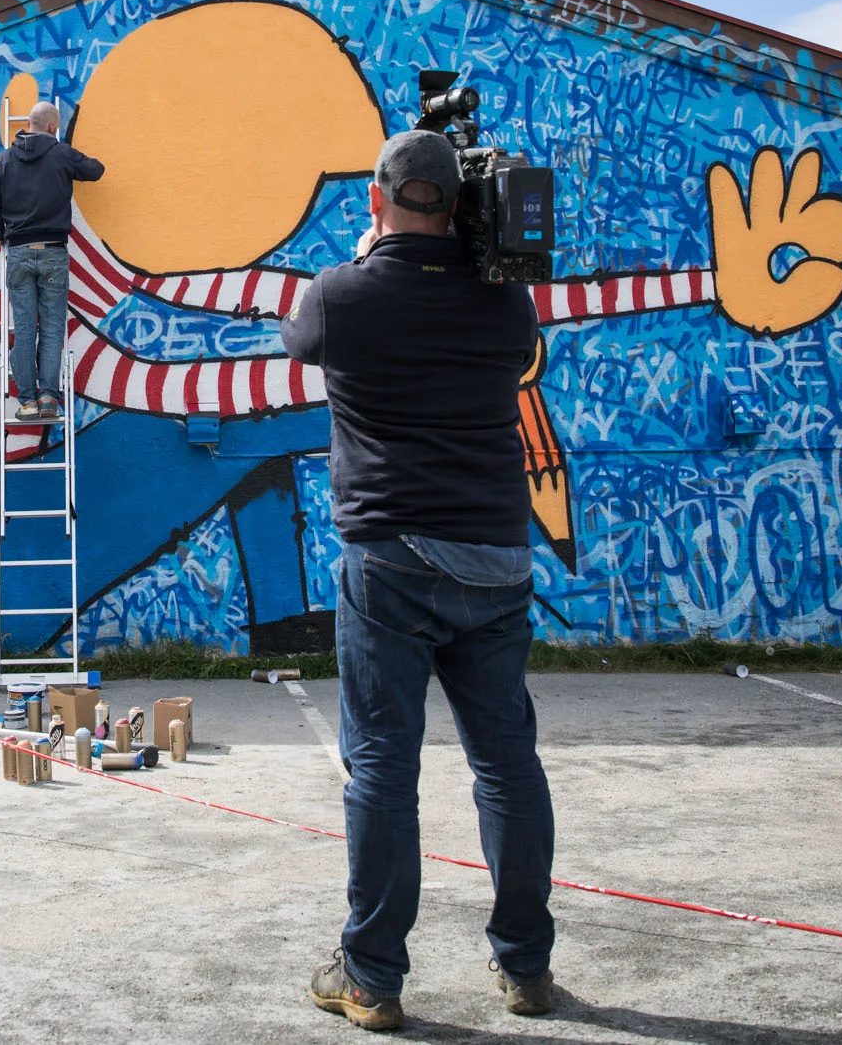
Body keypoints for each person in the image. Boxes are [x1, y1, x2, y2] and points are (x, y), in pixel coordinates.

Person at [281, 128, 555, 1030]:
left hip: (393, 560)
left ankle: (372, 978)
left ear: (376, 198)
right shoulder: (507, 305)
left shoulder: (339, 298)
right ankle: (525, 968)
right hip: (497, 554)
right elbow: (508, 347)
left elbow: (299, 339)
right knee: (508, 766)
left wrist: (368, 255)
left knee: (383, 771)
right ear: (464, 204)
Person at [0, 100, 104, 421]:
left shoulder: (2, 160)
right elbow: (96, 170)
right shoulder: (61, 154)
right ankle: (49, 398)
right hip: (53, 252)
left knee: (24, 329)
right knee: (52, 329)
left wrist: (0, 234)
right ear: (53, 126)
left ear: (29, 124)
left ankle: (27, 402)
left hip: (19, 252)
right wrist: (65, 154)